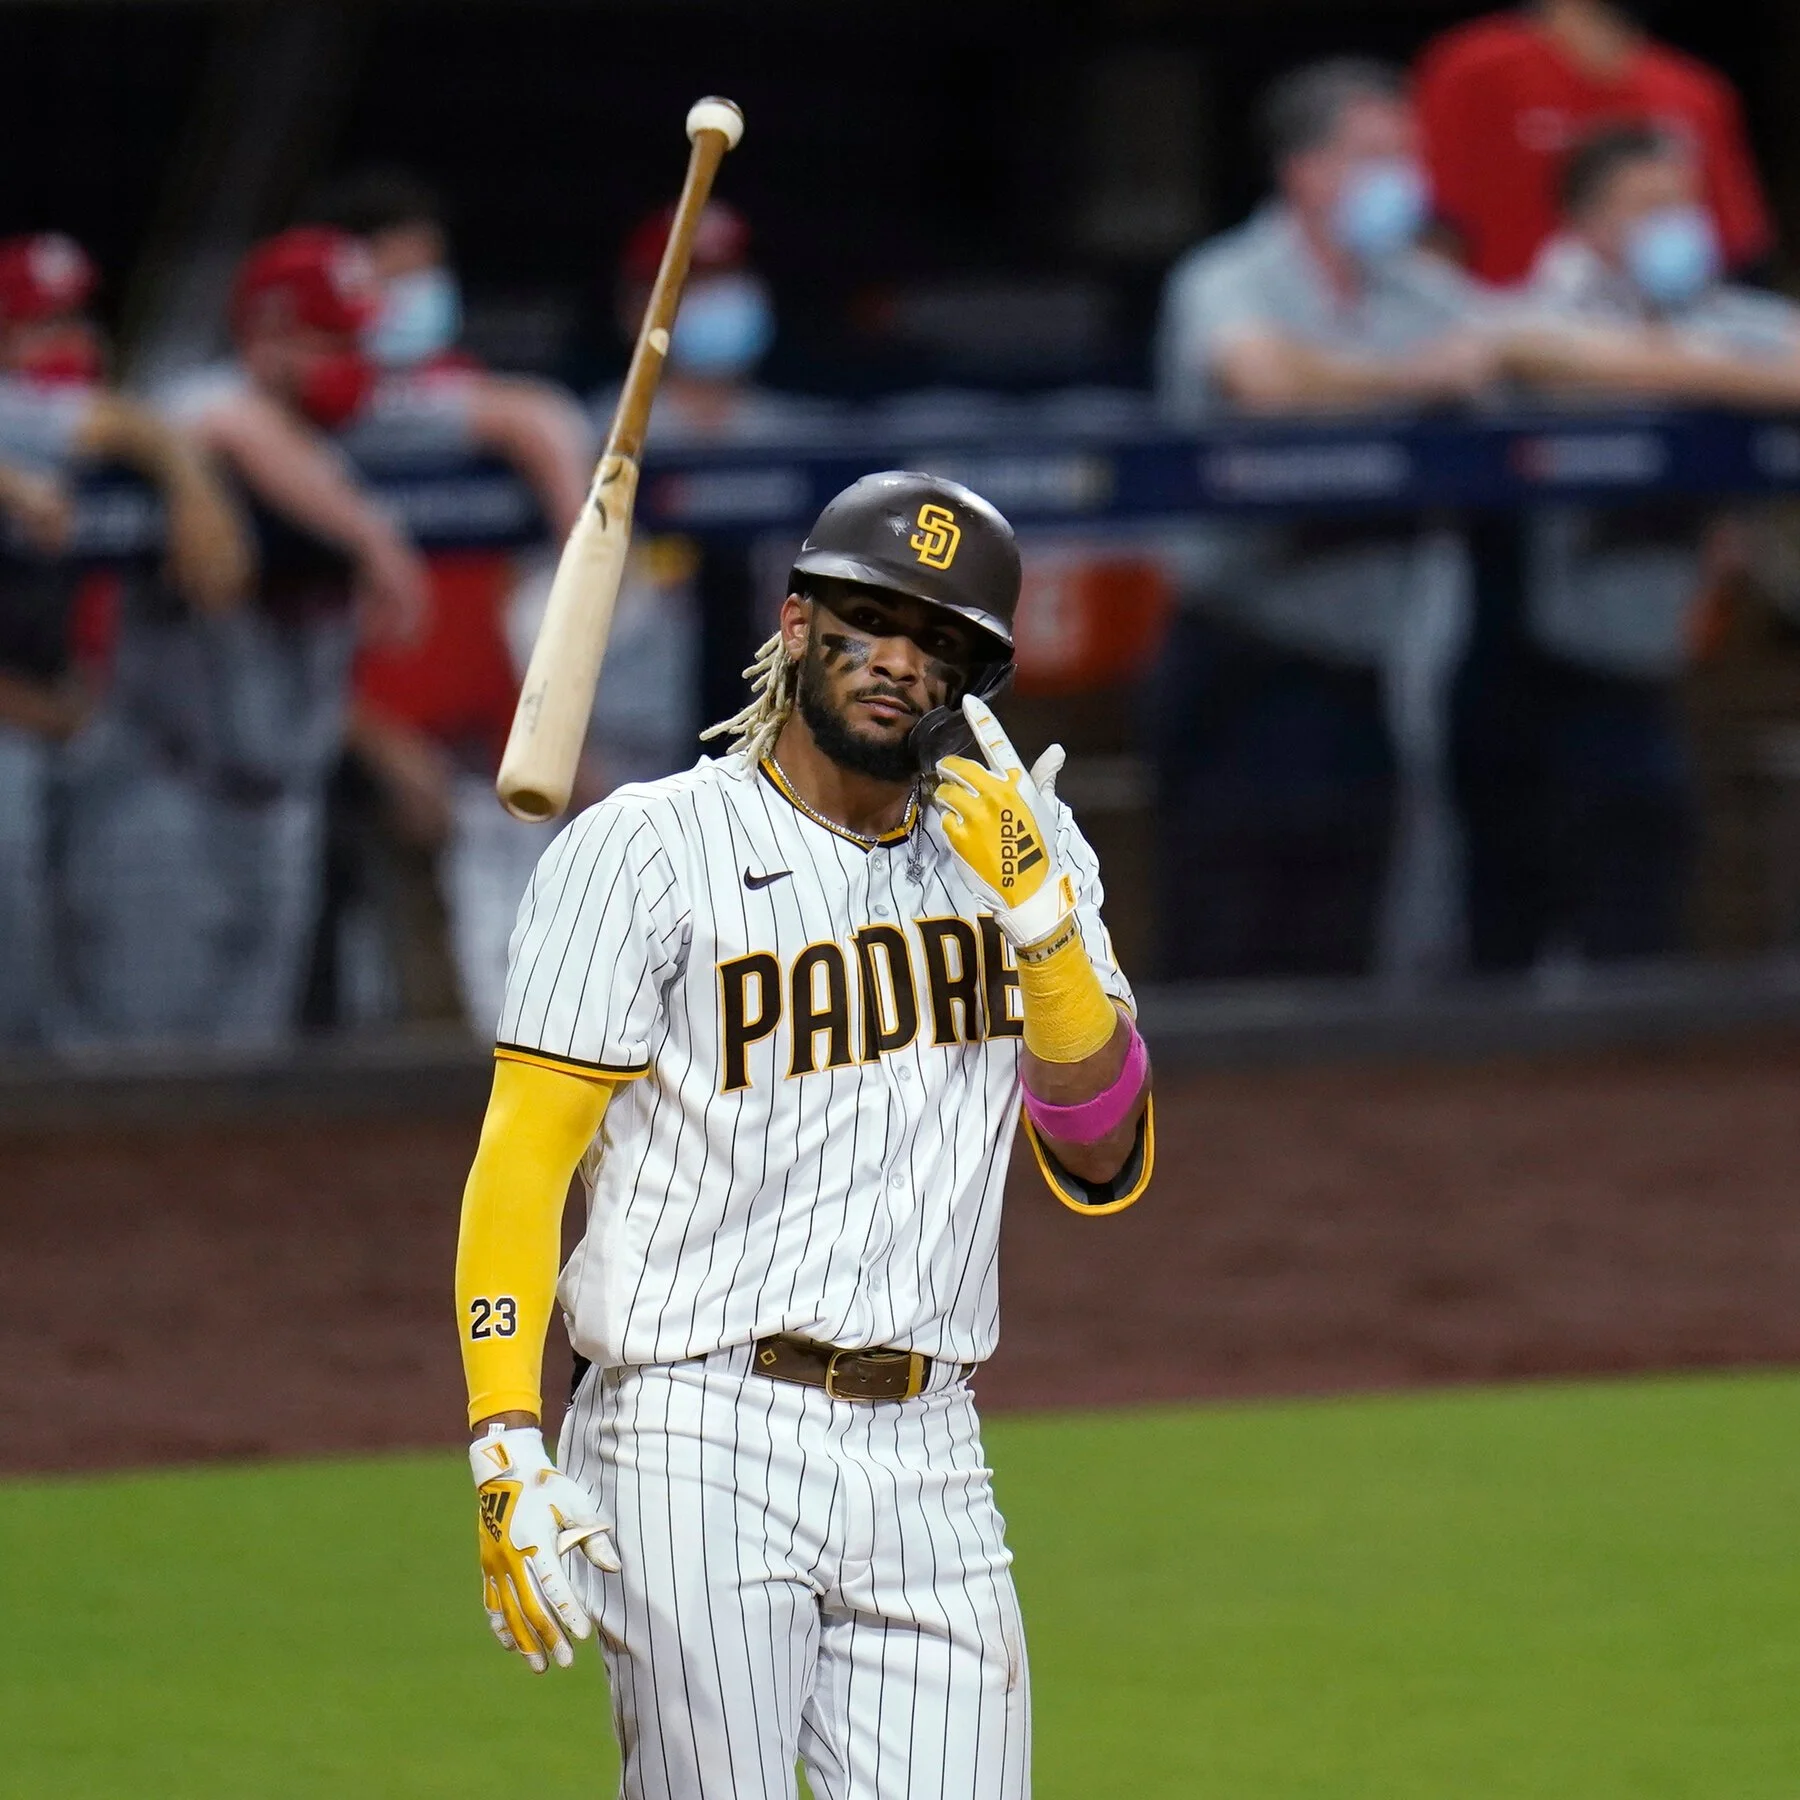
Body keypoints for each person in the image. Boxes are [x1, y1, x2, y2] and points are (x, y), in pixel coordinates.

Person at [453, 471, 1152, 1798]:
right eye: (869, 620)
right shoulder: (646, 854)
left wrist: (1048, 934)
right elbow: (524, 1159)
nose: (899, 662)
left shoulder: (1021, 850)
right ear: (793, 620)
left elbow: (1103, 1150)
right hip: (691, 1432)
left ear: (977, 680)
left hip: (930, 1446)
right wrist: (503, 1432)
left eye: (941, 641)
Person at [1150, 57, 1495, 980]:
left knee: (1340, 950)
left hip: (1360, 676)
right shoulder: (1226, 277)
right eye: (1378, 154)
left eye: (1408, 154)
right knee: (1223, 944)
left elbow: (1532, 339)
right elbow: (1261, 379)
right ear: (1305, 170)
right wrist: (1417, 378)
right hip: (1240, 662)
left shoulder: (1417, 291)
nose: (1405, 178)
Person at [57, 226, 428, 1046]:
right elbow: (215, 417)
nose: (352, 361)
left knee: (245, 1093)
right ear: (264, 336)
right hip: (163, 802)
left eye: (358, 338)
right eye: (328, 339)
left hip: (282, 813)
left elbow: (513, 411)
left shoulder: (355, 437)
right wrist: (373, 538)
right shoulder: (194, 420)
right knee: (134, 1090)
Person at [1456, 123, 1800, 968]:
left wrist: (1687, 366)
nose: (1678, 223)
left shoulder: (1719, 315)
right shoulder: (1531, 311)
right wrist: (1718, 380)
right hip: (1518, 666)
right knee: (1507, 924)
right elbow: (1528, 350)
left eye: (1686, 203)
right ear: (1589, 225)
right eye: (1649, 207)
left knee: (1642, 907)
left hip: (1652, 666)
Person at [307, 169, 596, 1033]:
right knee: (382, 1033)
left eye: (426, 272)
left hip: (481, 766)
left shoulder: (466, 399)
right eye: (394, 277)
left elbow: (497, 615)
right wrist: (374, 741)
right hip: (352, 776)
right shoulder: (297, 425)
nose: (417, 296)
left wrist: (550, 739)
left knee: (508, 1020)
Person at [0, 232, 250, 1046]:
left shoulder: (48, 423)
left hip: (65, 722)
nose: (69, 344)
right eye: (40, 325)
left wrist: (192, 489)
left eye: (78, 319)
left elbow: (130, 422)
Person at [1416, 0, 1771, 287]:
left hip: (1667, 331)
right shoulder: (1473, 68)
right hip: (1499, 330)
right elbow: (1434, 221)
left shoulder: (1696, 94)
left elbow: (1735, 243)